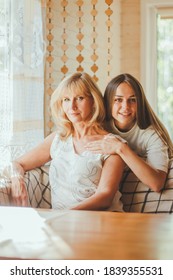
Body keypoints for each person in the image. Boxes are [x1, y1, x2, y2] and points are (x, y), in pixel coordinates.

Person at [4, 72, 124, 211]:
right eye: (66, 99)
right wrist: (16, 178)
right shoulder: (58, 139)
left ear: (93, 101)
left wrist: (64, 215)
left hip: (101, 222)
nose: (72, 107)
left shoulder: (112, 144)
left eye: (79, 98)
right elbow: (17, 163)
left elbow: (105, 197)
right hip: (63, 224)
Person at [85, 73, 173, 192]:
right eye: (118, 100)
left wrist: (121, 148)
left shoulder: (153, 135)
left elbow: (157, 184)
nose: (125, 107)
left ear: (140, 103)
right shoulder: (99, 126)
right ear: (108, 102)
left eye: (132, 100)